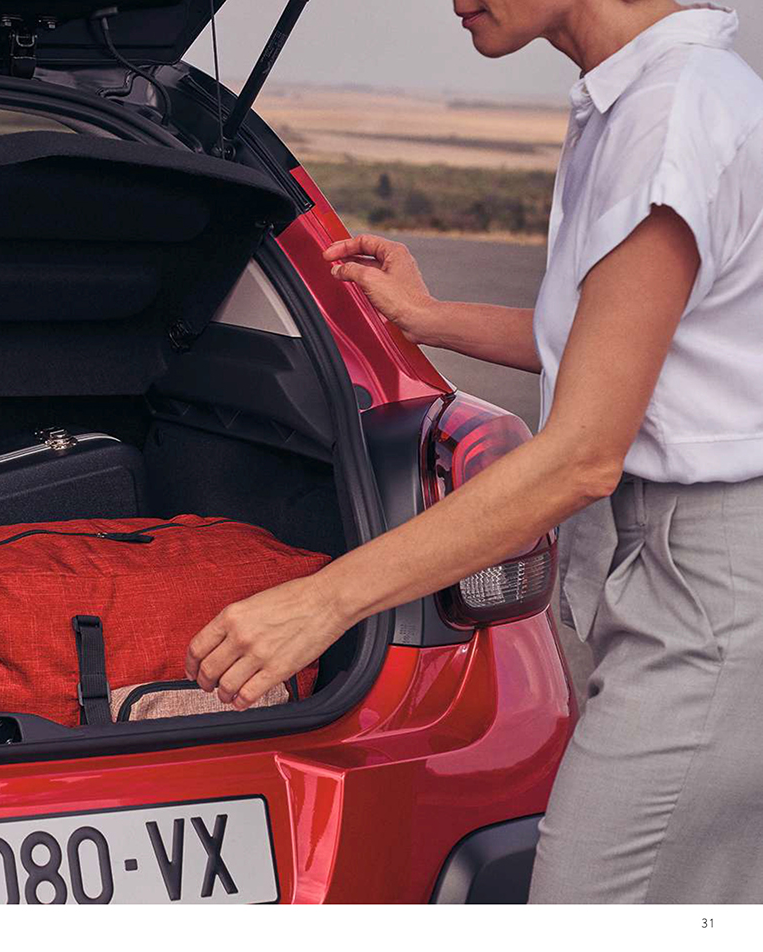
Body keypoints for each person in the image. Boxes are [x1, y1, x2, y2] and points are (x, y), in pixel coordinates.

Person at [184, 1, 763, 903]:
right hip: (694, 578)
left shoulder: (671, 113)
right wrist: (432, 318)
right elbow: (626, 342)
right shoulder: (653, 95)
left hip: (711, 600)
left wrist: (322, 601)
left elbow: (580, 457)